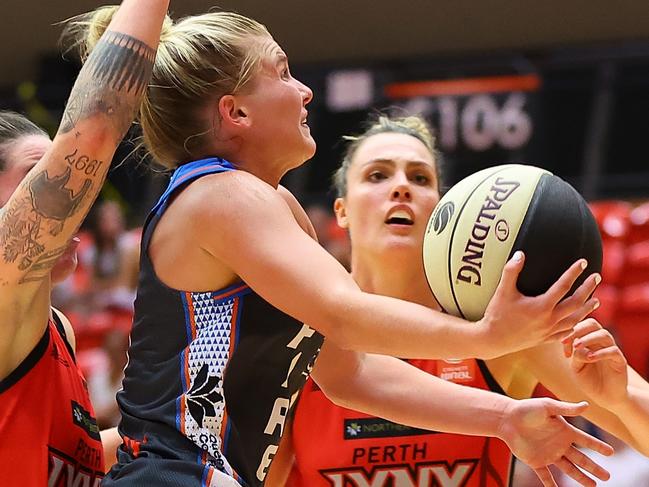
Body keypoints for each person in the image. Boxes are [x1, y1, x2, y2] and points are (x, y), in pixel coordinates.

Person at [91, 9, 608, 487]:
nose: (305, 91)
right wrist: (484, 335)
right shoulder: (220, 193)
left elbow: (350, 373)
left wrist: (502, 417)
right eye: (284, 71)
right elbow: (345, 314)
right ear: (237, 113)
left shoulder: (276, 206)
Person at [283, 114, 649, 487]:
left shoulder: (501, 323)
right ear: (341, 211)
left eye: (420, 177)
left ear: (444, 207)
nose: (401, 187)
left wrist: (621, 402)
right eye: (378, 175)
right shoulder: (301, 331)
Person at [0, 0, 168, 483]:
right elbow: (94, 129)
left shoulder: (58, 329)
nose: (74, 196)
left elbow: (81, 455)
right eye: (39, 176)